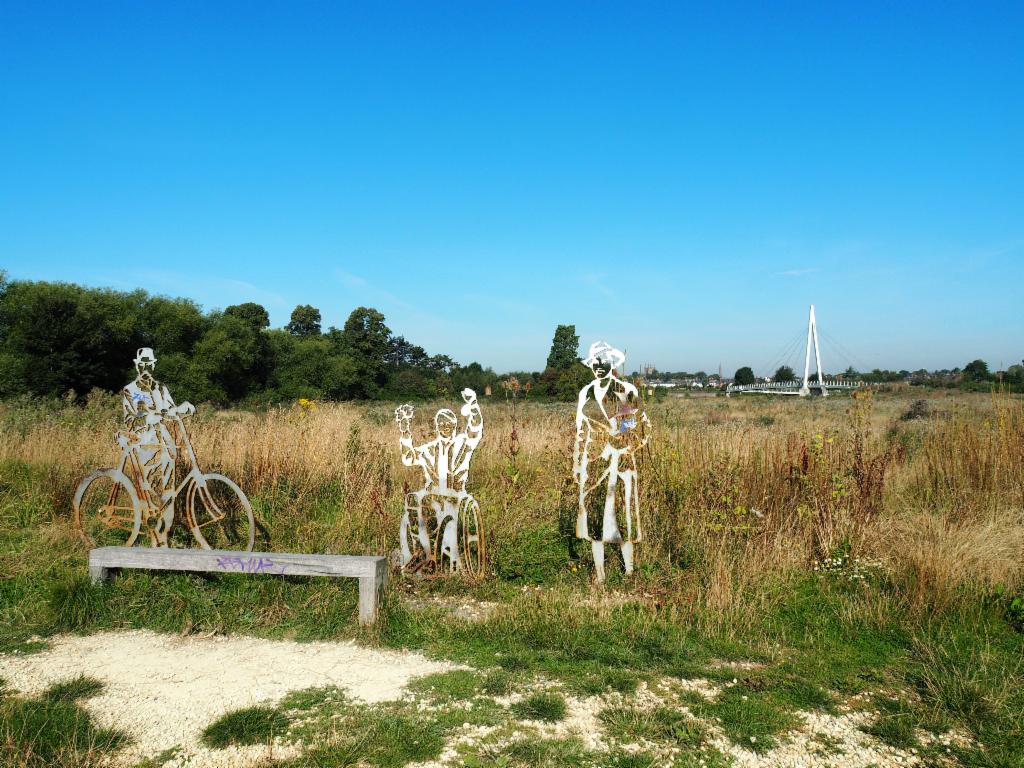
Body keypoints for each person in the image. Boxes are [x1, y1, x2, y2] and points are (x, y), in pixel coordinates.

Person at [573, 341, 651, 582]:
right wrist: (578, 462)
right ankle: (600, 574)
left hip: (622, 461)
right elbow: (581, 430)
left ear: (612, 364)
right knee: (596, 520)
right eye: (595, 362)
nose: (598, 366)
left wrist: (622, 439)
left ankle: (628, 572)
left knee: (624, 516)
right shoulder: (586, 392)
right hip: (595, 462)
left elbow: (638, 423)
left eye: (603, 362)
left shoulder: (625, 389)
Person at [395, 388, 483, 570]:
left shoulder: (462, 444)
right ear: (436, 426)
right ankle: (422, 553)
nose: (445, 426)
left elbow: (475, 429)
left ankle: (438, 556)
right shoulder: (429, 449)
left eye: (449, 423)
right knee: (413, 499)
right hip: (433, 496)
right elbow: (408, 458)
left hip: (456, 496)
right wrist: (405, 431)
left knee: (434, 504)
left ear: (455, 426)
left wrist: (473, 405)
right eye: (441, 423)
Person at [118, 347, 195, 545]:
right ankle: (153, 538)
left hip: (166, 446)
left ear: (153, 364)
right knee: (150, 491)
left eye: (148, 363)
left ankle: (164, 539)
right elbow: (129, 419)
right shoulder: (131, 390)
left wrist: (183, 407)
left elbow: (170, 411)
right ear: (137, 365)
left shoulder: (161, 388)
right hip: (145, 446)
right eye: (141, 363)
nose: (145, 367)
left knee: (169, 492)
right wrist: (145, 418)